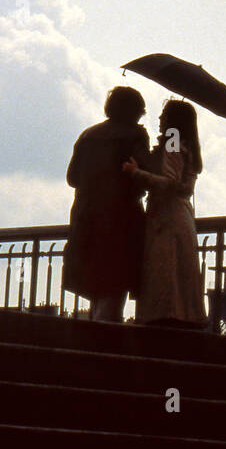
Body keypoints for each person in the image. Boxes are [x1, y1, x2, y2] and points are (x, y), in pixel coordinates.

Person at [62, 86, 150, 322]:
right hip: (121, 222)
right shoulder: (135, 136)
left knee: (97, 286)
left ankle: (95, 341)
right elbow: (142, 176)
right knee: (116, 286)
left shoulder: (88, 135)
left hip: (86, 219)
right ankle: (105, 344)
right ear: (135, 111)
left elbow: (72, 178)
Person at [123, 98, 207, 328]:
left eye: (164, 115)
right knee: (180, 282)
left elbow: (170, 182)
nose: (159, 119)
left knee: (164, 279)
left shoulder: (172, 140)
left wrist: (136, 173)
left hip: (166, 218)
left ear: (172, 121)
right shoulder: (185, 144)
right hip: (180, 216)